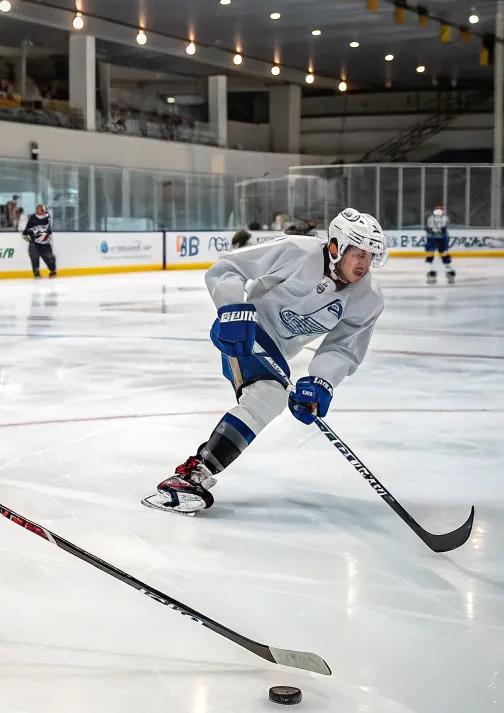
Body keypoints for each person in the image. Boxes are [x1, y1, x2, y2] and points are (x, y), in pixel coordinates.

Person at [143, 208, 386, 514]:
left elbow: (344, 348)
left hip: (279, 352)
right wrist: (232, 309)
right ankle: (191, 476)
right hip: (247, 332)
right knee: (269, 395)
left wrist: (320, 381)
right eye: (358, 254)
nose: (365, 263)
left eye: (370, 255)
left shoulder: (368, 298)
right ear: (336, 247)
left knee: (269, 397)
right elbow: (227, 267)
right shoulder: (295, 250)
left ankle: (193, 476)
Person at [23, 204, 57, 278]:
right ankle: (36, 273)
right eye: (37, 209)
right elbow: (27, 229)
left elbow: (48, 229)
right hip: (34, 242)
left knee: (48, 257)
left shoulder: (47, 218)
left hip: (44, 243)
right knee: (34, 258)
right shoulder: (32, 218)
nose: (38, 210)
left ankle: (53, 270)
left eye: (40, 209)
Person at [424, 206, 455, 284]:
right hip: (440, 238)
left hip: (433, 238)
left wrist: (433, 230)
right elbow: (443, 227)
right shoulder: (443, 218)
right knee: (442, 255)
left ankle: (433, 272)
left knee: (432, 254)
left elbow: (428, 228)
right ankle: (448, 271)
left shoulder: (431, 218)